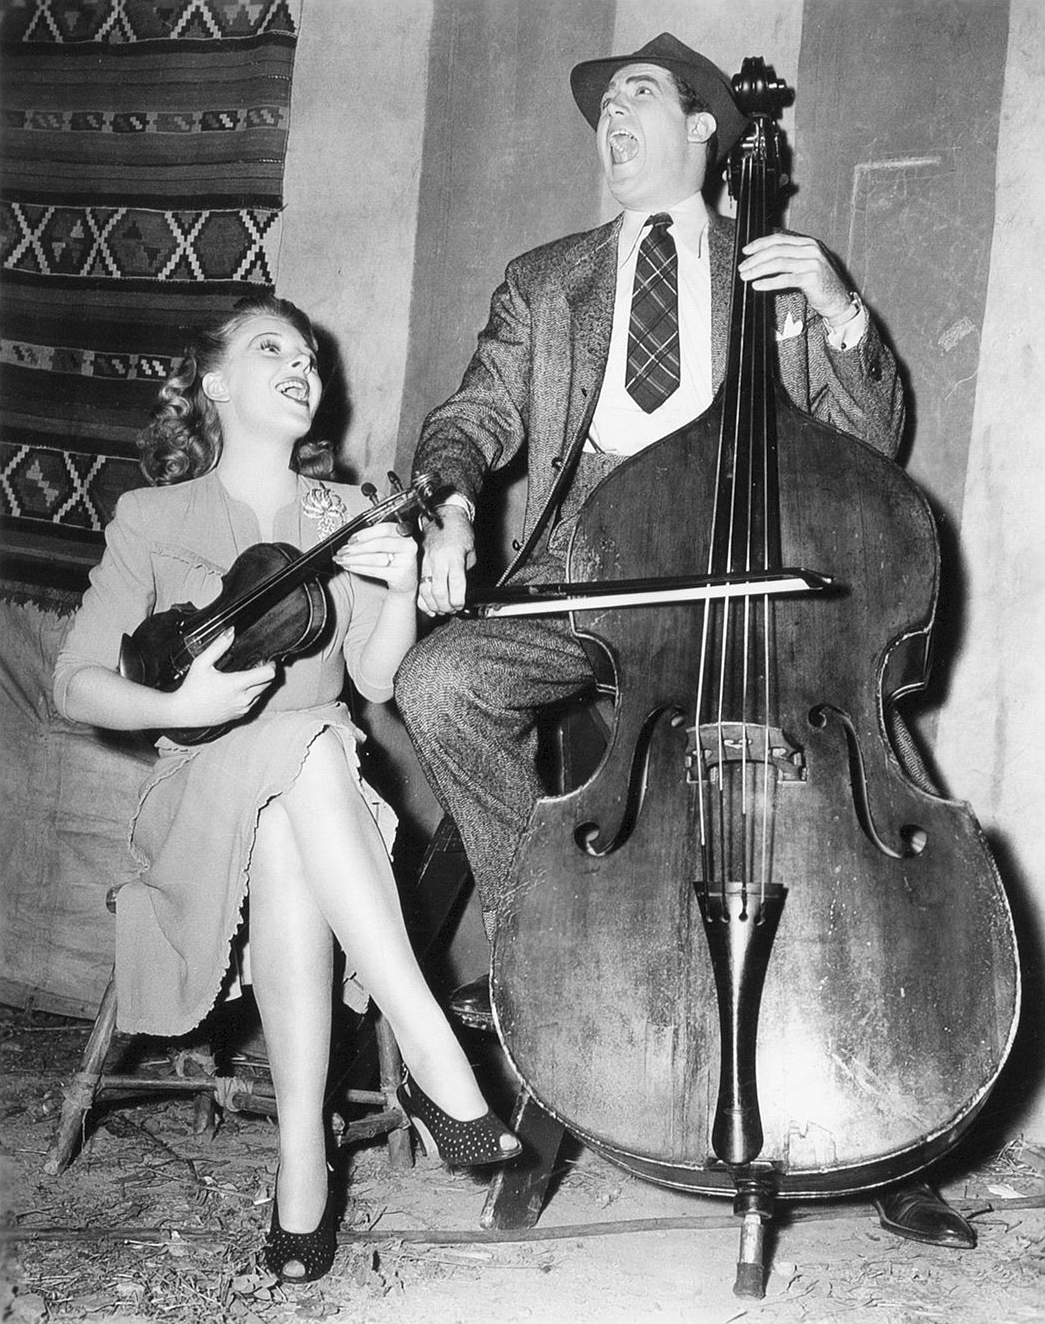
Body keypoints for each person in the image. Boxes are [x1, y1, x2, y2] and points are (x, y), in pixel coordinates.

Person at [394, 34, 975, 1252]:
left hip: (752, 597)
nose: (612, 116)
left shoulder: (768, 272)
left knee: (874, 759)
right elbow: (473, 416)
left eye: (639, 96)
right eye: (604, 103)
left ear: (706, 127)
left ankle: (899, 1126)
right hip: (587, 579)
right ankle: (547, 944)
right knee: (438, 679)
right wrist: (447, 501)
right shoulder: (545, 280)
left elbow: (869, 442)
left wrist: (838, 309)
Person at [53, 293, 520, 1286]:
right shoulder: (152, 515)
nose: (301, 366)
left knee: (299, 776)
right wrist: (187, 698)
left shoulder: (342, 513)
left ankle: (302, 1156)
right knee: (303, 745)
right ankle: (429, 1043)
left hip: (317, 799)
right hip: (194, 794)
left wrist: (400, 588)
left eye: (309, 355)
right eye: (273, 349)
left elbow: (379, 680)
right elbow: (76, 682)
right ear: (215, 381)